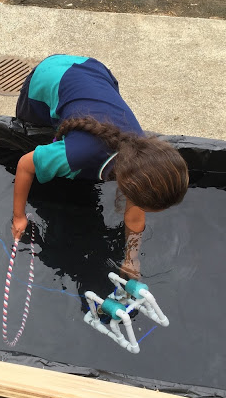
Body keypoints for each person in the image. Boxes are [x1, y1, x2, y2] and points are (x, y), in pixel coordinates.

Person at [12, 54, 189, 279]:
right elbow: (25, 165)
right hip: (49, 76)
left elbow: (134, 217)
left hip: (94, 72)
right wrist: (19, 217)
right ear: (128, 186)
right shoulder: (76, 155)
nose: (140, 208)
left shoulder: (142, 158)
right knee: (28, 127)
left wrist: (132, 258)